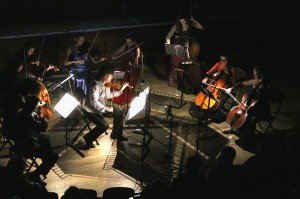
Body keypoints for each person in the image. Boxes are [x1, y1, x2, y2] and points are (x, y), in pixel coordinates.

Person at [14, 96, 59, 185]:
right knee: (54, 156)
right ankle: (35, 175)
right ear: (32, 106)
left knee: (46, 137)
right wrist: (42, 118)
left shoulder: (21, 112)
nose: (36, 107)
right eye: (35, 105)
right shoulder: (27, 116)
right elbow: (43, 128)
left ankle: (46, 161)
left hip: (23, 142)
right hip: (28, 147)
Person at [225, 66, 272, 149]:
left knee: (250, 119)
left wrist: (260, 90)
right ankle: (236, 128)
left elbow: (267, 99)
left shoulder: (266, 85)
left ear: (261, 76)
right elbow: (242, 83)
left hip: (261, 109)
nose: (254, 77)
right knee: (236, 111)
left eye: (256, 75)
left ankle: (248, 139)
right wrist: (232, 88)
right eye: (254, 75)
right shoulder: (255, 81)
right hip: (252, 107)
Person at [86, 65, 129, 142]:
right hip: (92, 111)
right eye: (111, 75)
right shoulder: (94, 85)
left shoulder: (106, 84)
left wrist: (121, 89)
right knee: (104, 125)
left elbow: (108, 95)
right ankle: (88, 138)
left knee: (119, 111)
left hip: (101, 108)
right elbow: (93, 102)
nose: (112, 77)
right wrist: (107, 109)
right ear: (106, 76)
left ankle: (116, 134)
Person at [165, 13, 204, 88]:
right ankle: (175, 82)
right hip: (178, 47)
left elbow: (201, 28)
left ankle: (186, 82)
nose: (182, 22)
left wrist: (195, 21)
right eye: (181, 20)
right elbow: (168, 37)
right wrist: (169, 45)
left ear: (187, 19)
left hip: (189, 47)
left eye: (184, 20)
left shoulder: (191, 24)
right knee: (175, 65)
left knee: (187, 66)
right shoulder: (176, 25)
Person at [200, 54, 238, 122]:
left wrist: (228, 74)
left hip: (227, 89)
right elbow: (209, 72)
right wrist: (206, 78)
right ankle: (205, 111)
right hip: (215, 85)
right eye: (221, 60)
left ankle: (213, 116)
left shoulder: (231, 68)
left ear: (228, 61)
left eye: (224, 60)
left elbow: (234, 82)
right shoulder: (218, 64)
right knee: (207, 92)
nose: (222, 62)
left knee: (220, 100)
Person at [111, 33, 142, 105]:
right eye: (127, 42)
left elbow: (136, 63)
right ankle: (119, 99)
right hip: (125, 67)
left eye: (130, 42)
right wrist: (113, 56)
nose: (128, 44)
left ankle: (127, 101)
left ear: (134, 41)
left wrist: (134, 63)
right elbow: (114, 53)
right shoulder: (125, 46)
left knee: (129, 85)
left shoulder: (137, 48)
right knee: (122, 82)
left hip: (133, 69)